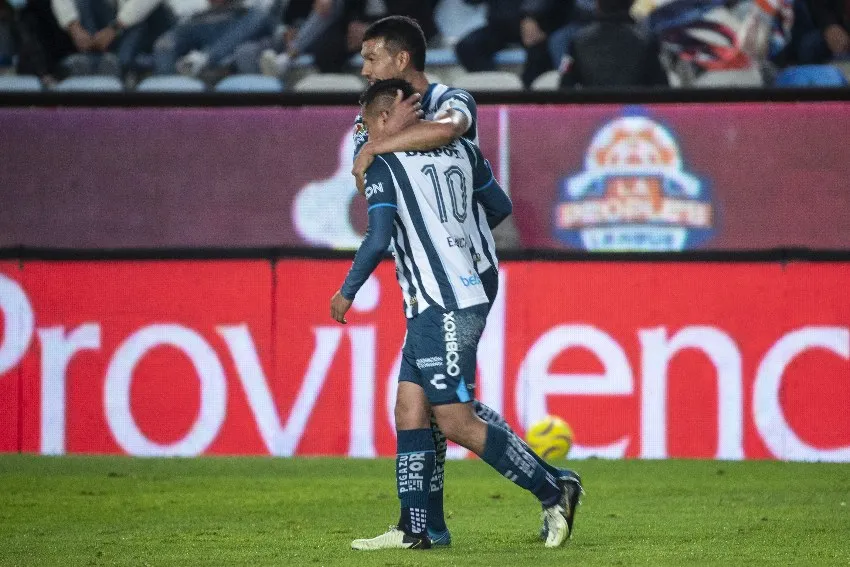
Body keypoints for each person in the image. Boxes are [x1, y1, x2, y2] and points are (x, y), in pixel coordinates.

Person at [349, 15, 582, 548]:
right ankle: (419, 529)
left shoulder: (454, 99)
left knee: (450, 411)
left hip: (464, 276)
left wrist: (380, 147)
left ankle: (551, 488)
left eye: (371, 58)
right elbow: (362, 178)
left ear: (401, 59)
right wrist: (371, 153)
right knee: (413, 405)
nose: (363, 69)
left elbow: (451, 132)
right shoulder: (371, 117)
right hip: (421, 279)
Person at [559, 0, 668, 88]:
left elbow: (564, 87)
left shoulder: (578, 41)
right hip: (635, 113)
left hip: (594, 112)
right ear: (632, 3)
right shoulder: (647, 41)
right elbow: (663, 87)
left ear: (597, 5)